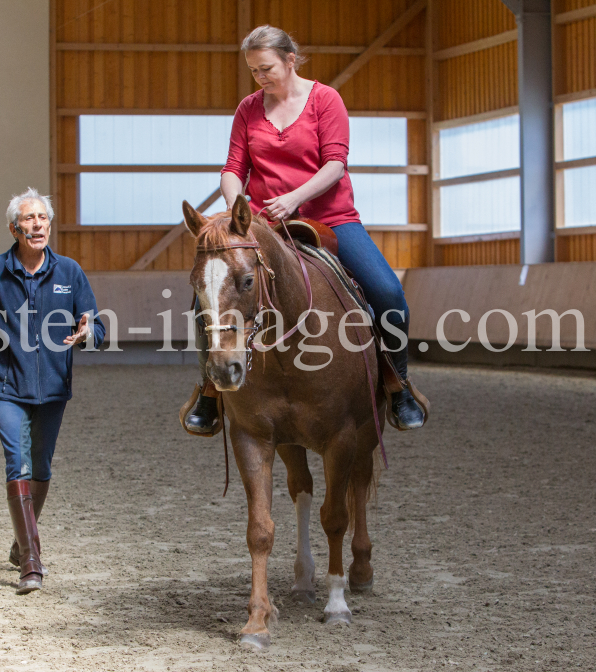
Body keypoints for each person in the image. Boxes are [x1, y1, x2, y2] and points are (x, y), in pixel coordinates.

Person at [182, 25, 426, 435]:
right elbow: (232, 168)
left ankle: (397, 383)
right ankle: (211, 390)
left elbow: (335, 164)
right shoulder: (248, 109)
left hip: (329, 219)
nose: (260, 78)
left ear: (290, 60)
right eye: (253, 71)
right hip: (263, 224)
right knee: (204, 300)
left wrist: (295, 198)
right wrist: (234, 206)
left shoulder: (325, 100)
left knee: (387, 292)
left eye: (266, 69)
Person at [0, 188, 106, 595]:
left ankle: (21, 541)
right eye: (29, 218)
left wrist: (86, 335)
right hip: (6, 387)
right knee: (18, 463)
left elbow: (96, 328)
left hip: (54, 389)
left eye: (43, 217)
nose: (38, 224)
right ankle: (32, 562)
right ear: (14, 227)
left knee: (41, 468)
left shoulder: (70, 273)